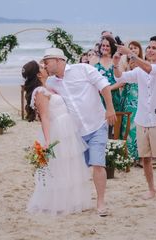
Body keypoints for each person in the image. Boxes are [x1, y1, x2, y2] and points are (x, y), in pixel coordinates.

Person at [43, 48, 117, 216]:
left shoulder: (83, 69)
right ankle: (77, 201)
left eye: (47, 60)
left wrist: (110, 109)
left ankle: (100, 203)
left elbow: (104, 86)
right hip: (75, 132)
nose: (45, 64)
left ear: (58, 60)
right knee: (78, 169)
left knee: (98, 164)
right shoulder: (50, 83)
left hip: (97, 124)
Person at [23, 60, 92, 215]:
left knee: (70, 165)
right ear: (38, 74)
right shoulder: (40, 91)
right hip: (58, 130)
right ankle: (57, 203)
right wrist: (48, 141)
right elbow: (45, 117)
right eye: (41, 67)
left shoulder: (49, 87)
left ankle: (70, 201)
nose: (45, 67)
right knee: (59, 166)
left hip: (67, 127)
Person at [114, 36, 156, 201]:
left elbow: (151, 70)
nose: (150, 50)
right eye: (149, 47)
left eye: (154, 48)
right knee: (145, 157)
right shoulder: (139, 69)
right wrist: (116, 63)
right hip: (142, 119)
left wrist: (131, 54)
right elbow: (121, 78)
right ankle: (151, 189)